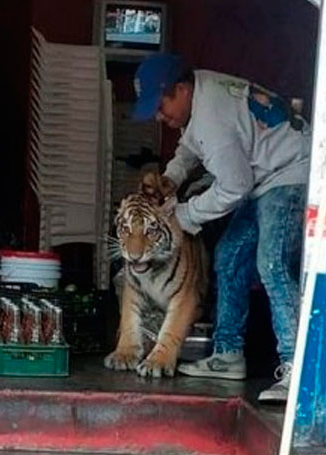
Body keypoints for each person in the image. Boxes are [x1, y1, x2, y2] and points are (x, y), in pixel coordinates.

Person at [132, 53, 310, 403]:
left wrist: (183, 216)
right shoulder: (202, 90)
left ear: (180, 90)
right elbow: (189, 146)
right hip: (264, 178)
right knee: (229, 257)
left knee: (271, 264)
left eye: (161, 104)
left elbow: (234, 185)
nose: (159, 115)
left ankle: (297, 369)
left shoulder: (212, 118)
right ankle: (228, 354)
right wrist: (171, 177)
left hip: (290, 174)